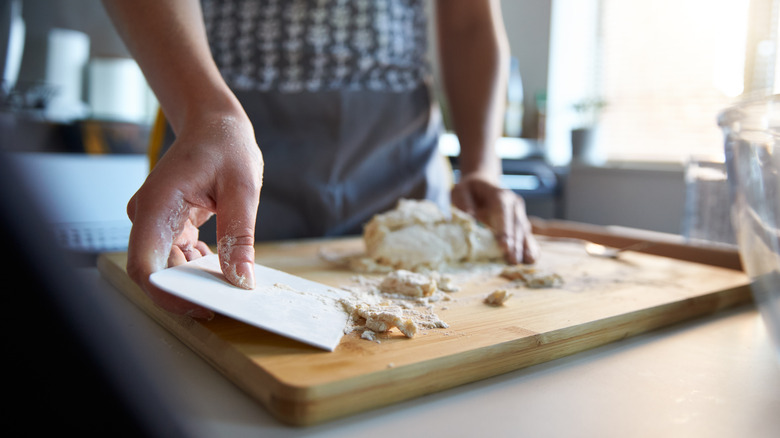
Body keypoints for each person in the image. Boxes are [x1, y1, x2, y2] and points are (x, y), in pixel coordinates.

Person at [101, 0, 539, 319]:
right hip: (225, 125)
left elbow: (468, 21)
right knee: (211, 323)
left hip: (399, 148)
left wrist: (481, 165)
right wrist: (205, 112)